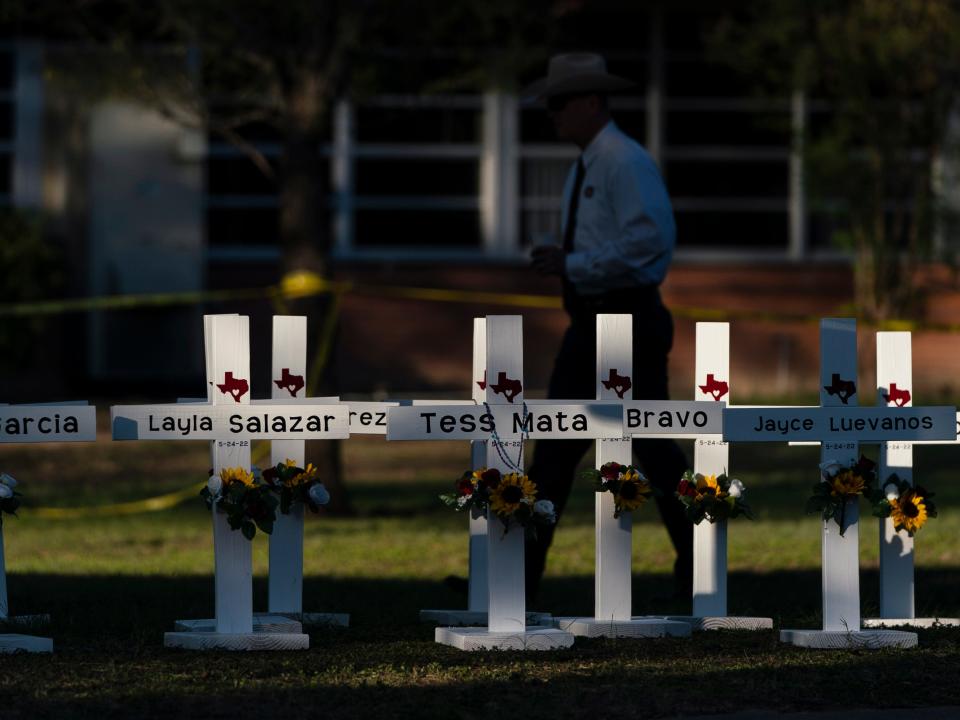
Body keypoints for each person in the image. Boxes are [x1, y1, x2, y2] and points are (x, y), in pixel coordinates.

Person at [524, 53, 693, 603]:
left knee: (652, 446)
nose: (552, 114)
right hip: (593, 320)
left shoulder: (623, 160)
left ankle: (698, 568)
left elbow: (650, 242)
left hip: (627, 317)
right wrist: (572, 261)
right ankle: (519, 577)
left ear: (591, 101)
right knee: (556, 446)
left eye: (559, 102)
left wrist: (574, 264)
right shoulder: (588, 164)